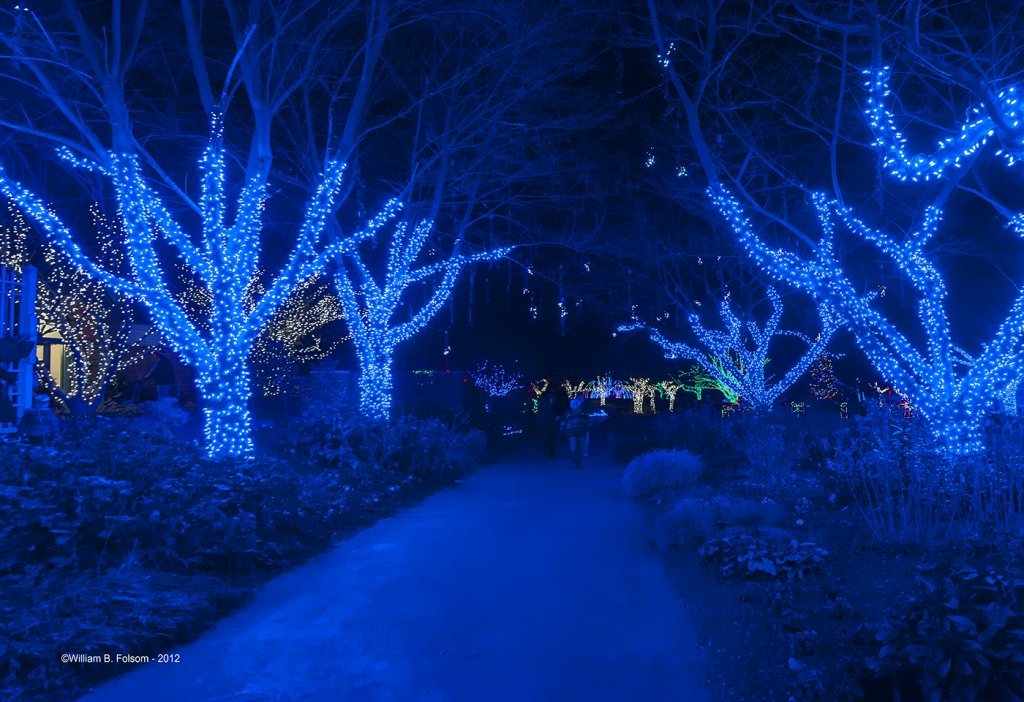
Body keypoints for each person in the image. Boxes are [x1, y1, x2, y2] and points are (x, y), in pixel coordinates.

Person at [561, 397, 591, 469]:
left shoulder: (582, 413)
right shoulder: (569, 413)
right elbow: (563, 422)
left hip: (578, 431)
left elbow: (589, 421)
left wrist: (562, 430)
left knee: (578, 448)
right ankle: (576, 462)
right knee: (576, 448)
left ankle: (577, 462)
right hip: (576, 431)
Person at [538, 393, 558, 458]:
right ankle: (547, 454)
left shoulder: (553, 404)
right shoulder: (544, 404)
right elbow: (542, 414)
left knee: (551, 439)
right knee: (546, 439)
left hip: (551, 424)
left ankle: (551, 454)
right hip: (546, 424)